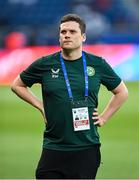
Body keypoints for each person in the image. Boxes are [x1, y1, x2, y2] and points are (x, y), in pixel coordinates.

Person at [11, 14, 128, 179]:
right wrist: (40, 105)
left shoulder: (97, 64)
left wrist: (104, 118)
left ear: (83, 37)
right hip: (53, 147)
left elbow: (122, 92)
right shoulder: (45, 64)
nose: (66, 35)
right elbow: (17, 85)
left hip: (86, 148)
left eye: (72, 31)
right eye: (63, 31)